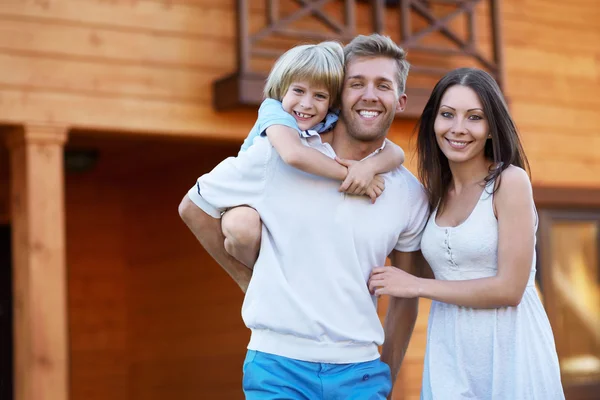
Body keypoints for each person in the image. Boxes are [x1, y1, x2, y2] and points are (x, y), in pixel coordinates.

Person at [178, 34, 430, 399]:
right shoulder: (275, 154)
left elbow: (405, 296)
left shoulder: (407, 193)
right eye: (356, 84)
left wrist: (386, 375)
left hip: (361, 373)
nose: (369, 95)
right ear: (338, 94)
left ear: (400, 100)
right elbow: (192, 207)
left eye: (383, 85)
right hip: (277, 366)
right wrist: (247, 280)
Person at [368, 68, 565, 399]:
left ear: (491, 128)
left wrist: (415, 285)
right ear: (434, 121)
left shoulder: (509, 181)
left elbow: (510, 289)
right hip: (450, 351)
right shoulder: (434, 194)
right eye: (447, 115)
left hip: (509, 347)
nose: (458, 129)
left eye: (474, 117)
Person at [222, 40, 405, 268]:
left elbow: (396, 152)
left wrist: (369, 168)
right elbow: (294, 155)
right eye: (298, 90)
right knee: (242, 224)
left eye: (320, 96)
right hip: (245, 198)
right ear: (282, 89)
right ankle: (250, 278)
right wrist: (352, 175)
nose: (307, 104)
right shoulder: (274, 111)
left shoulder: (329, 118)